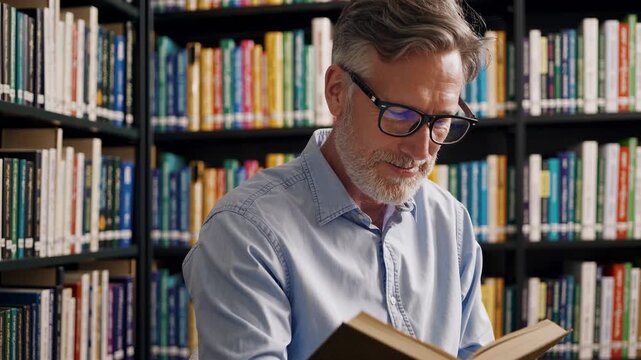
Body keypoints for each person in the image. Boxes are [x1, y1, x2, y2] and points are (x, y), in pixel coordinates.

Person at [183, 0, 494, 358]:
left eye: (442, 120)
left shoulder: (450, 221)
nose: (422, 149)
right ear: (336, 92)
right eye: (399, 114)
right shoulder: (246, 231)